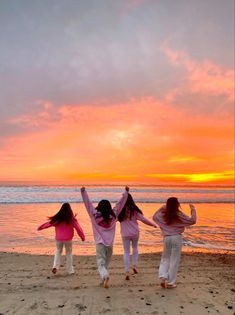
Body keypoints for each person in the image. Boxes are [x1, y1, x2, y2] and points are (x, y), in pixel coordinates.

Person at [80, 186, 129, 288]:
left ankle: (105, 276)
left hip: (100, 243)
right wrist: (126, 192)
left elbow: (87, 204)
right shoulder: (114, 215)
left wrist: (83, 192)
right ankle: (103, 278)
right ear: (109, 207)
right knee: (105, 263)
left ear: (99, 206)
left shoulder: (94, 215)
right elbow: (120, 204)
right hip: (110, 244)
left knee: (100, 264)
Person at [153, 197, 196, 289]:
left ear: (167, 204)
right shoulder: (179, 214)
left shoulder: (163, 214)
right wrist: (192, 209)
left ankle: (163, 276)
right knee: (174, 260)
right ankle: (170, 283)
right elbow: (192, 221)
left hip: (167, 238)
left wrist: (161, 208)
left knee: (165, 258)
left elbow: (154, 217)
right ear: (177, 205)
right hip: (176, 237)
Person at [37, 203, 85, 275]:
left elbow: (48, 224)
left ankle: (55, 267)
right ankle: (70, 270)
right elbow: (78, 228)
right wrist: (82, 236)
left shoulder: (57, 219)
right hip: (68, 239)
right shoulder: (71, 219)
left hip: (59, 239)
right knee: (69, 253)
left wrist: (40, 227)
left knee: (58, 252)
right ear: (70, 210)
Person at [118, 193, 157, 280]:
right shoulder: (134, 210)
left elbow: (112, 220)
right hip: (135, 233)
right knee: (135, 248)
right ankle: (135, 266)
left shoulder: (120, 211)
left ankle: (127, 271)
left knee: (126, 252)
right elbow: (144, 219)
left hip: (125, 234)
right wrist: (153, 224)